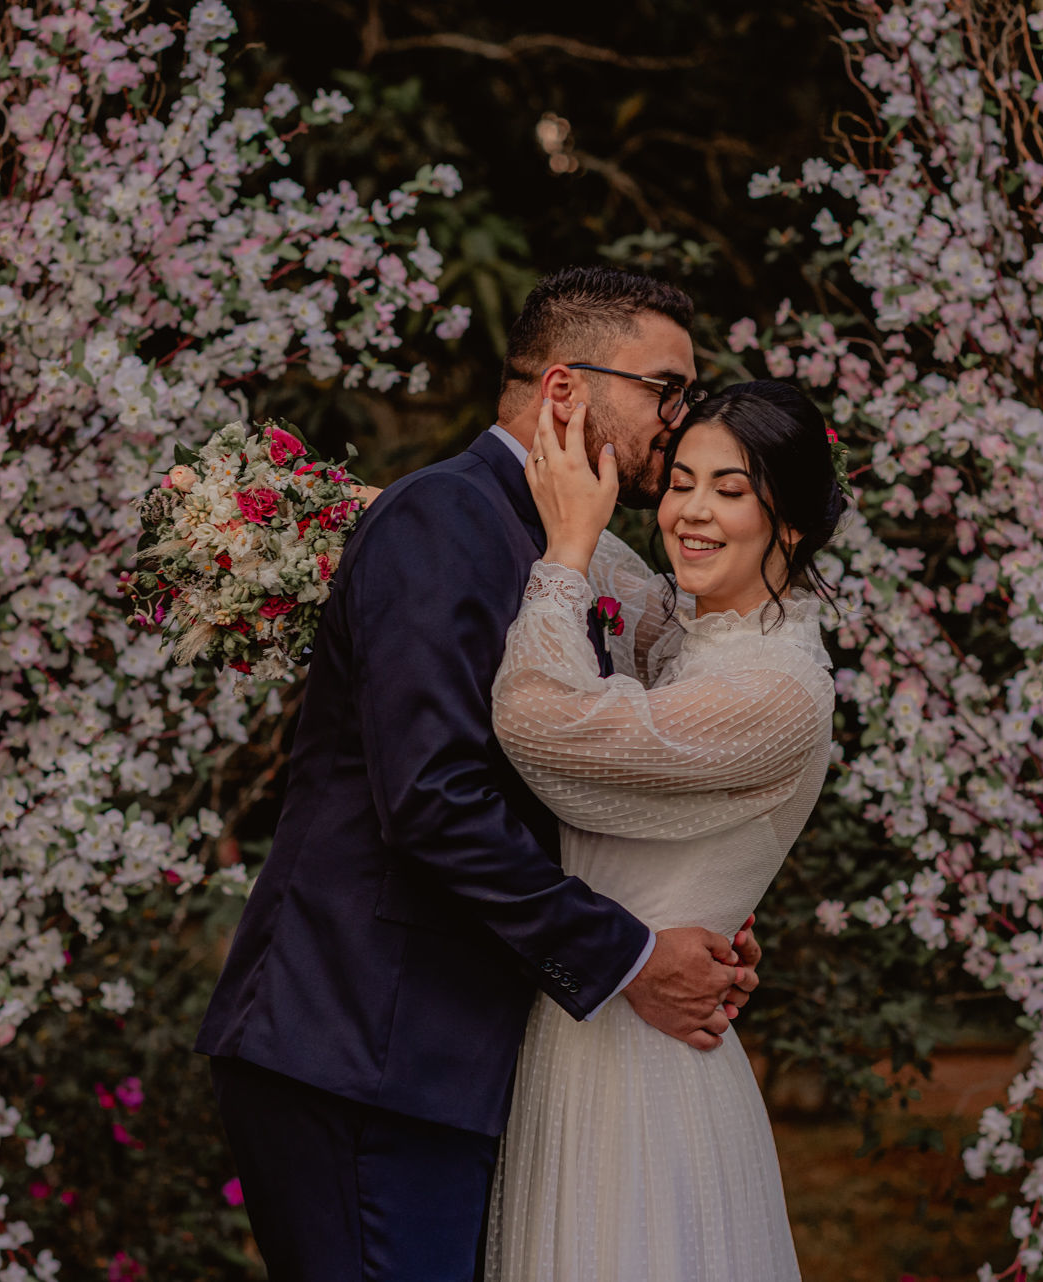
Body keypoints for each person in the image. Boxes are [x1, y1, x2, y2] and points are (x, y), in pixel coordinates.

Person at [193, 267, 763, 1281]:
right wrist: (631, 956)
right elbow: (434, 799)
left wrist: (683, 905)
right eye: (664, 390)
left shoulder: (563, 550)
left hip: (433, 1058)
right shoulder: (447, 519)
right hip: (363, 1048)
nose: (683, 421)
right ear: (563, 391)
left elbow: (551, 782)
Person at [484, 379, 846, 1281]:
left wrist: (564, 556)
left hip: (647, 1067)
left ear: (789, 521)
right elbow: (524, 522)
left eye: (731, 489)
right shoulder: (686, 633)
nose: (691, 511)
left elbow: (540, 718)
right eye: (681, 481)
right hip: (577, 1034)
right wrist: (285, 507)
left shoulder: (776, 692)